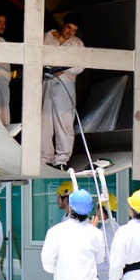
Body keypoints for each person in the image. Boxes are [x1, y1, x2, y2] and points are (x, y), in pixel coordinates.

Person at [41, 13, 85, 171]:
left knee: (64, 120)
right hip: (47, 81)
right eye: (68, 28)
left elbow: (80, 66)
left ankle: (61, 159)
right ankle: (44, 157)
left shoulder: (77, 43)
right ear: (62, 23)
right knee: (45, 120)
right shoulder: (47, 37)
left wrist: (61, 68)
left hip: (65, 82)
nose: (70, 32)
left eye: (74, 30)